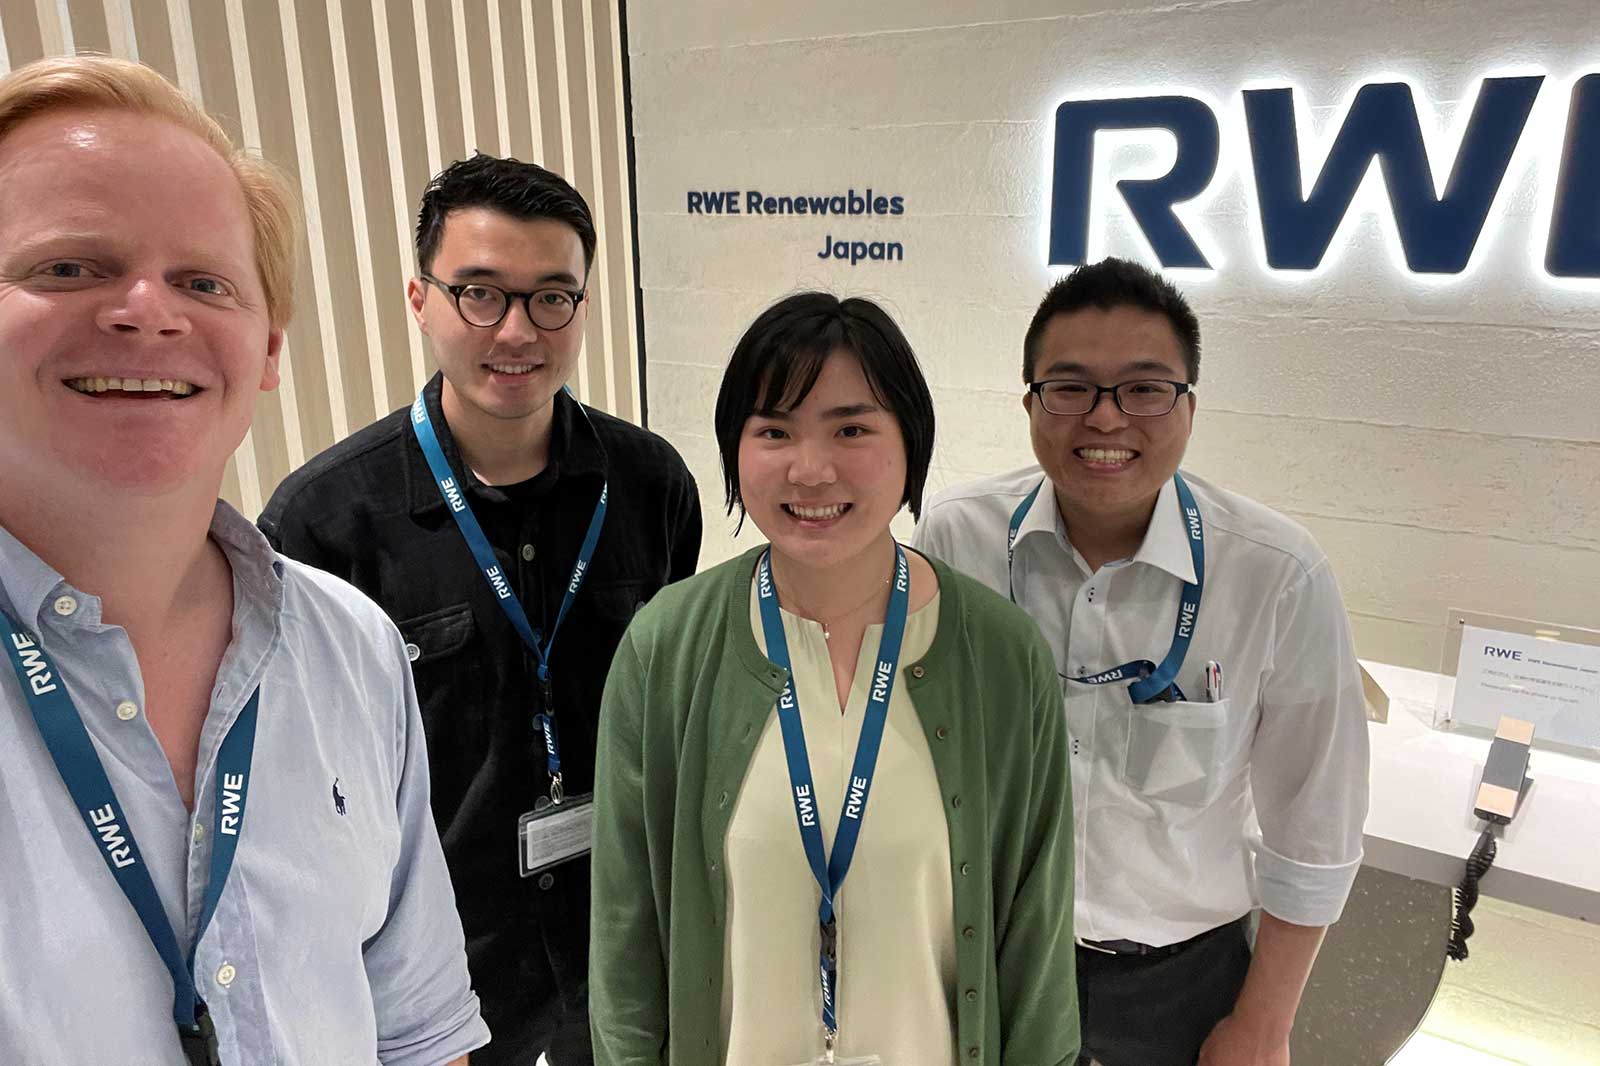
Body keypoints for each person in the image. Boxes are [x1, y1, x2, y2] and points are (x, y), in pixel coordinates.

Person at [0, 55, 487, 1065]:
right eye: (68, 268)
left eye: (203, 282)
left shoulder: (350, 644)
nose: (148, 311)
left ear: (267, 347)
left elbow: (419, 1032)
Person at [260, 153, 701, 1065]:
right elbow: (301, 788)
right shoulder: (324, 523)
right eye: (481, 294)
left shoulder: (650, 484)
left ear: (582, 305)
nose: (517, 330)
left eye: (552, 297)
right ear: (421, 300)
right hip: (446, 962)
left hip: (625, 925)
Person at [590, 293, 1079, 1065]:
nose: (810, 468)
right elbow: (625, 943)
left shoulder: (1001, 655)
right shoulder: (667, 649)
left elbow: (1038, 949)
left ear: (910, 441)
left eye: (851, 429)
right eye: (774, 431)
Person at [914, 257, 1371, 1066]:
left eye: (1144, 388)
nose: (1106, 417)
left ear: (1189, 405)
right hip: (991, 953)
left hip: (1180, 981)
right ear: (1030, 402)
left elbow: (1316, 823)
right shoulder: (958, 537)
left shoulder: (1276, 573)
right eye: (1070, 387)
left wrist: (1263, 1024)